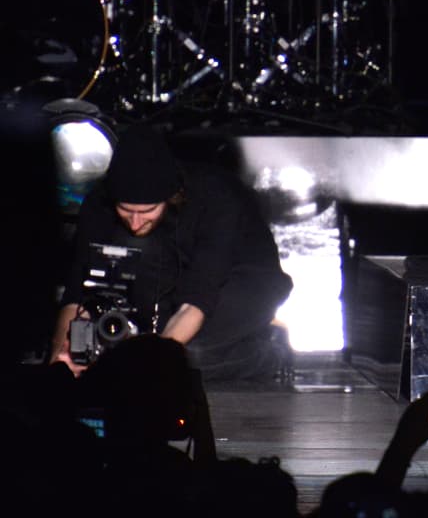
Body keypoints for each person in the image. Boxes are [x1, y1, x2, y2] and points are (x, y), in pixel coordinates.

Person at [48, 123, 294, 383]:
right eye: (125, 210)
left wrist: (154, 365)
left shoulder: (217, 197)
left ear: (171, 197)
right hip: (172, 276)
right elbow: (77, 292)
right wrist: (60, 358)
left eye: (146, 211)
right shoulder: (98, 204)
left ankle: (271, 351)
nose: (135, 222)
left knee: (186, 357)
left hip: (244, 282)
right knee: (136, 350)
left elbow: (198, 296)